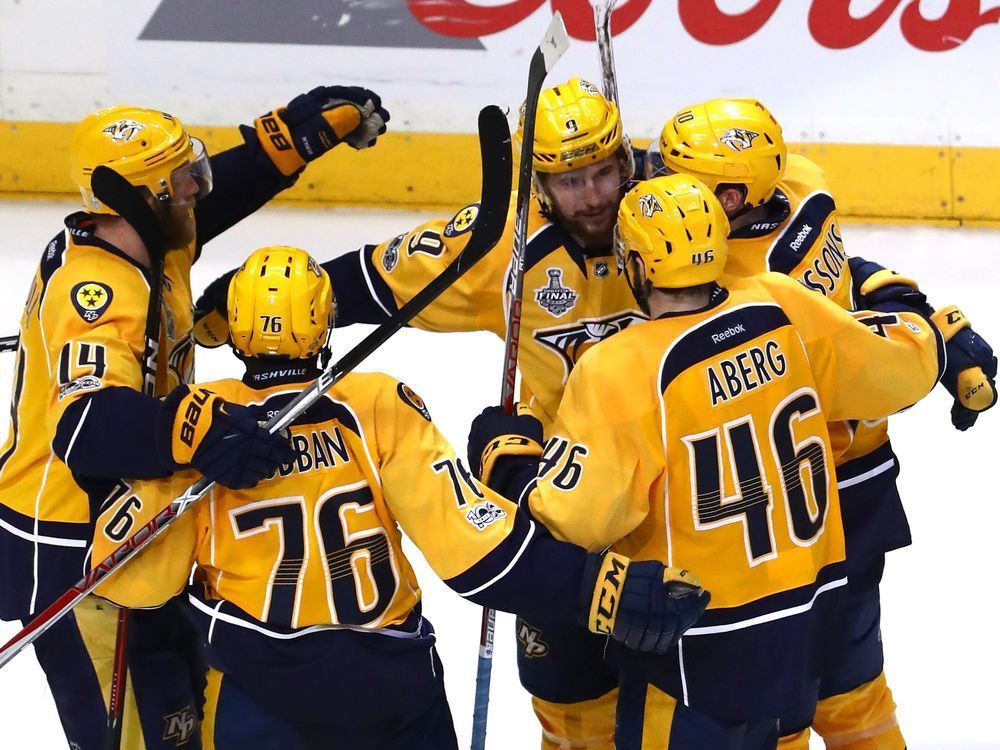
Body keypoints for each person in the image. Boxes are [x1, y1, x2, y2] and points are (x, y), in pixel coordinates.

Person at [90, 245, 709, 750]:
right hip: (392, 694)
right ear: (325, 324)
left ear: (237, 335)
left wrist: (169, 456)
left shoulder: (202, 423)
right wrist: (600, 587)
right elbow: (478, 548)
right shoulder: (377, 402)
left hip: (259, 699)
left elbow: (131, 582)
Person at [193, 77, 646, 749]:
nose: (593, 197)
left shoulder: (671, 218)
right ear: (537, 186)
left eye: (603, 174)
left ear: (627, 163)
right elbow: (376, 278)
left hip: (676, 483)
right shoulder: (504, 246)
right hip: (563, 494)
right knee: (571, 704)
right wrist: (255, 305)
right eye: (570, 180)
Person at [468, 174, 944, 749]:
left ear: (638, 268)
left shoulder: (622, 368)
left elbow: (577, 521)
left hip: (693, 645)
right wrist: (908, 308)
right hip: (805, 625)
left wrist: (508, 464)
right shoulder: (782, 301)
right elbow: (901, 373)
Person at [0, 85, 390, 749]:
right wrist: (196, 428)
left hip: (146, 520)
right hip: (76, 548)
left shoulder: (154, 239)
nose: (197, 190)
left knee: (186, 716)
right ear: (145, 198)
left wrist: (289, 143)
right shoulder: (92, 292)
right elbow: (86, 428)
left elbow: (223, 194)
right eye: (183, 180)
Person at [645, 98, 997, 749]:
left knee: (794, 706)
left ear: (730, 194)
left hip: (790, 519)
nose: (658, 179)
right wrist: (927, 324)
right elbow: (847, 296)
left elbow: (841, 300)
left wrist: (919, 328)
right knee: (849, 694)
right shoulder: (794, 182)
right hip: (833, 496)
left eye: (678, 172)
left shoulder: (726, 280)